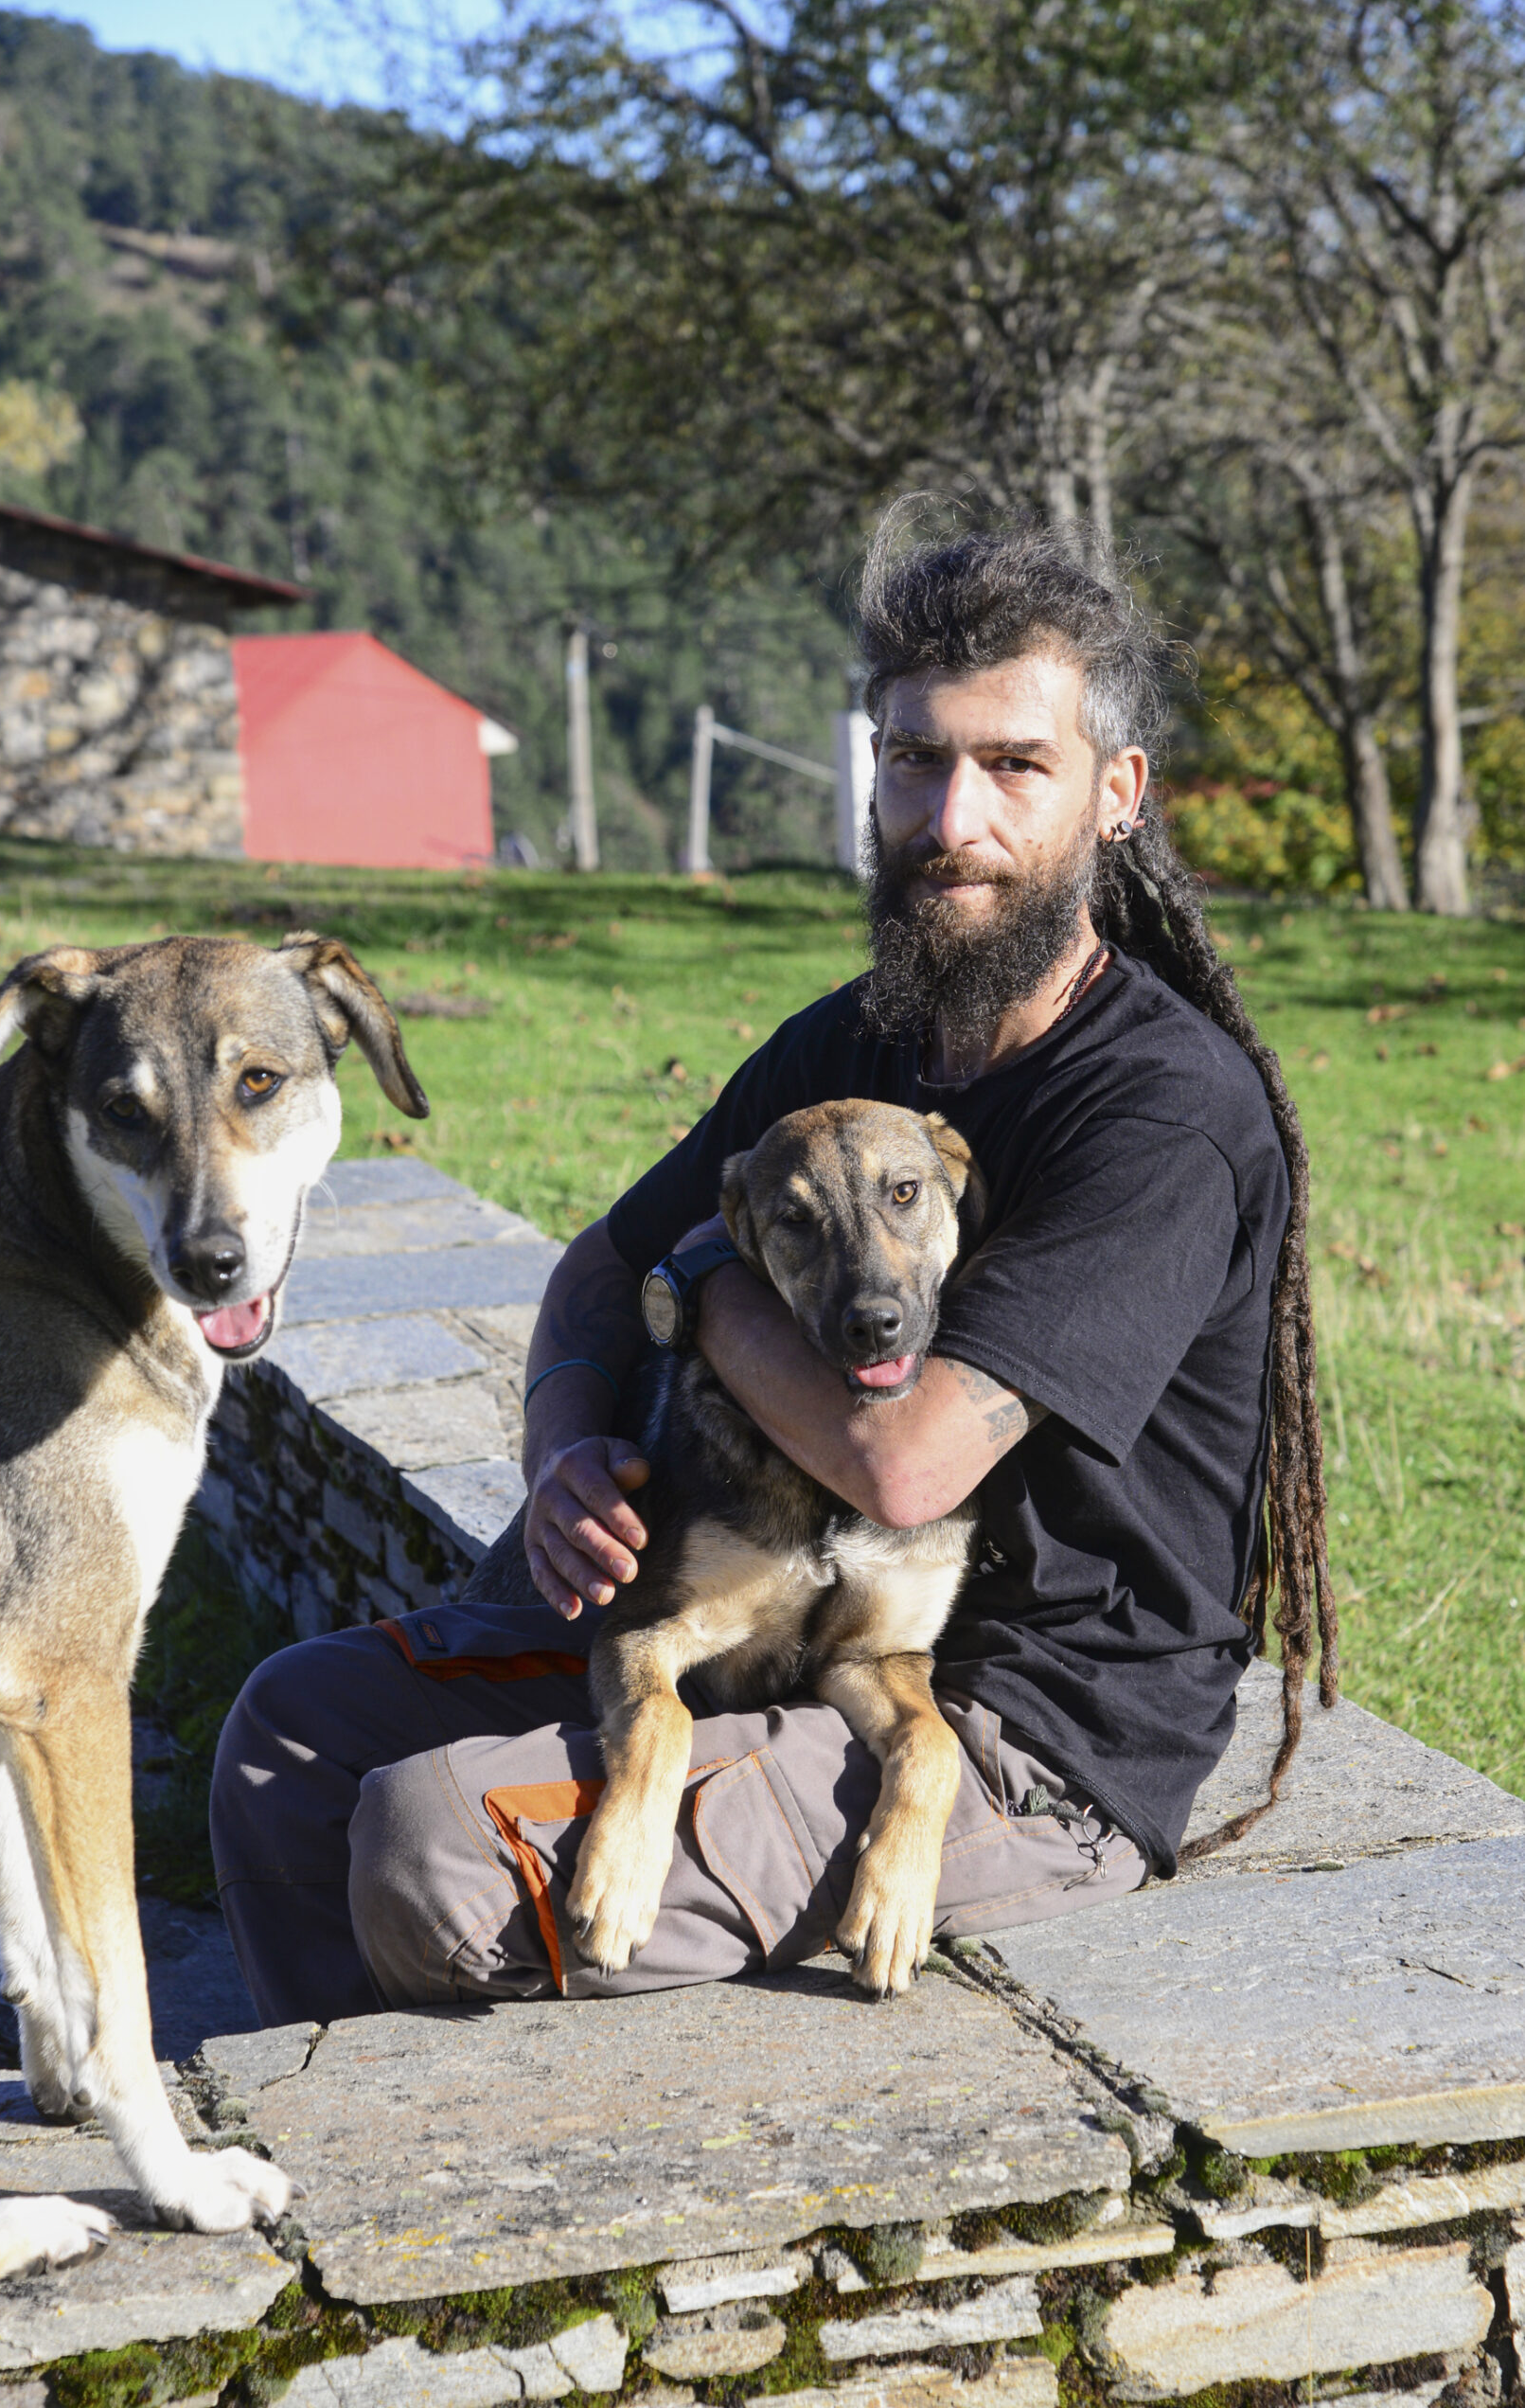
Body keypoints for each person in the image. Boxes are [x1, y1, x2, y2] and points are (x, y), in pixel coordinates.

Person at [210, 514, 1337, 2026]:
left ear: (1116, 795)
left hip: (1020, 1723)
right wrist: (562, 1454)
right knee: (291, 1731)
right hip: (753, 1617)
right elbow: (601, 1265)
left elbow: (903, 1459)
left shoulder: (1159, 1113)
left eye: (1015, 765)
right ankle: (320, 2123)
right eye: (915, 761)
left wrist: (708, 1287)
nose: (952, 818)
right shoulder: (851, 1044)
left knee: (435, 1855)